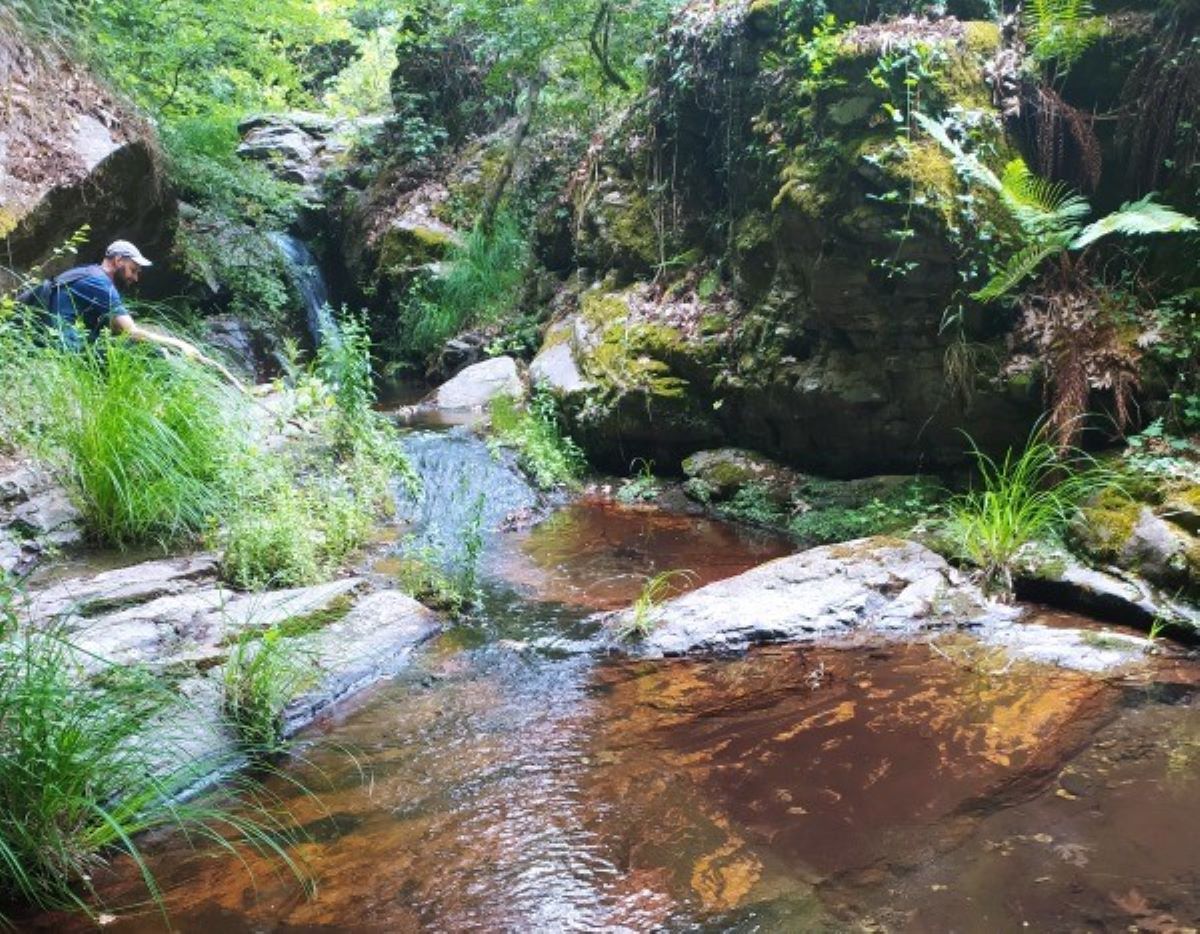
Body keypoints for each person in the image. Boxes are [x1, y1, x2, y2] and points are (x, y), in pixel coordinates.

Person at [25, 240, 244, 388]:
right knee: (150, 352)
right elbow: (132, 332)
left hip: (51, 342)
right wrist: (179, 344)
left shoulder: (86, 273)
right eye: (134, 269)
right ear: (118, 260)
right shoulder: (99, 283)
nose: (135, 277)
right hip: (63, 351)